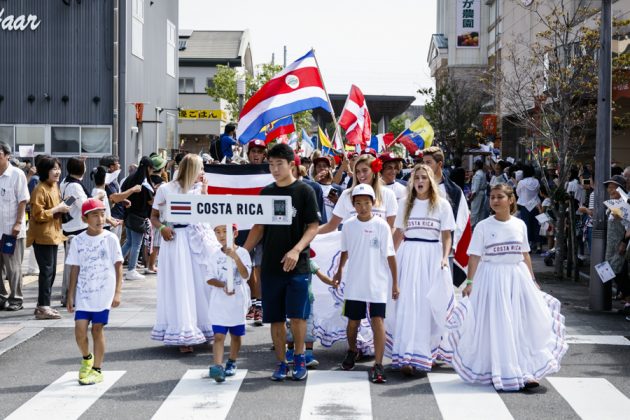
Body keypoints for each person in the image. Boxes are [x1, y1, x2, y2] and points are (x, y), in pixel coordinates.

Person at [448, 184, 568, 391]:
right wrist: (470, 282)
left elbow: (525, 254)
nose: (495, 201)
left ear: (511, 199)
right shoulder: (484, 226)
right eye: (492, 197)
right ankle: (500, 369)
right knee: (499, 324)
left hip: (516, 277)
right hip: (492, 279)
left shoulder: (519, 224)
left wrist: (532, 279)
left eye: (500, 197)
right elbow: (474, 256)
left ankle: (526, 370)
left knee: (521, 323)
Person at [243, 143, 320, 382]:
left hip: (298, 264)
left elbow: (313, 226)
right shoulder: (266, 192)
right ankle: (281, 362)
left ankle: (299, 357)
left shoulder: (305, 191)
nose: (274, 169)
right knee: (275, 318)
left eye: (279, 164)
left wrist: (297, 249)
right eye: (271, 164)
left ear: (291, 164)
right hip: (271, 265)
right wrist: (243, 252)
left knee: (297, 316)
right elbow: (259, 227)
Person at [388, 164, 455, 376]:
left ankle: (427, 351)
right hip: (409, 256)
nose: (420, 181)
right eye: (416, 177)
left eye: (424, 178)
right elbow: (398, 234)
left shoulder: (442, 205)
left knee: (429, 305)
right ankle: (405, 354)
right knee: (408, 304)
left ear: (431, 181)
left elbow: (446, 236)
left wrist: (445, 258)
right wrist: (388, 257)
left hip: (431, 256)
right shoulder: (405, 204)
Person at [150, 154, 220, 353]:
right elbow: (154, 216)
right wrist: (162, 228)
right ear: (191, 170)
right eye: (200, 169)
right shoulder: (165, 189)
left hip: (198, 239)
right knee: (181, 284)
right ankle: (183, 333)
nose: (203, 173)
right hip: (177, 239)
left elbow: (208, 213)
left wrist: (204, 193)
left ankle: (204, 328)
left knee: (200, 283)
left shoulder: (199, 189)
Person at [333, 184, 398, 383]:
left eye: (366, 203)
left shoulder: (381, 225)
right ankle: (352, 351)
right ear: (353, 205)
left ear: (373, 203)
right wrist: (339, 270)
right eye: (358, 203)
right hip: (355, 282)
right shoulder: (349, 225)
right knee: (353, 322)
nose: (362, 207)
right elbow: (345, 251)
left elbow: (390, 255)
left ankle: (378, 364)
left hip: (377, 282)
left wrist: (395, 283)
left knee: (378, 321)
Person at [65, 198, 123, 385]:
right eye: (95, 215)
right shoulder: (78, 241)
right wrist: (70, 294)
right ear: (85, 219)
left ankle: (97, 369)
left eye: (102, 214)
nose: (100, 218)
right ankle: (87, 357)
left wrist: (118, 292)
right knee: (80, 331)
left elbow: (118, 265)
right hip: (84, 293)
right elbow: (74, 268)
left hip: (103, 293)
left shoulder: (111, 238)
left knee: (97, 329)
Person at [207, 224, 252, 383]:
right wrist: (223, 286)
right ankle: (218, 366)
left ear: (235, 233)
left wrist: (235, 257)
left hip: (237, 299)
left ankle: (232, 361)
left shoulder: (243, 252)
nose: (221, 235)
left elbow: (246, 275)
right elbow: (209, 278)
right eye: (217, 232)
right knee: (218, 335)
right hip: (219, 300)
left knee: (236, 334)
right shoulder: (213, 255)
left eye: (225, 231)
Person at [27, 157, 70, 319]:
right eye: (54, 169)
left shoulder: (54, 186)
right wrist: (57, 208)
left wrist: (62, 208)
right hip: (42, 236)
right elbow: (37, 214)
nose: (58, 172)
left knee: (50, 272)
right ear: (45, 171)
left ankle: (43, 305)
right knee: (46, 271)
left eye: (58, 168)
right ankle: (43, 306)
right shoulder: (40, 189)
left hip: (54, 234)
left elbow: (54, 209)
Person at [421, 146, 470, 287]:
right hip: (419, 248)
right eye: (423, 162)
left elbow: (462, 221)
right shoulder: (415, 188)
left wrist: (451, 246)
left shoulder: (454, 191)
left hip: (443, 250)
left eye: (428, 162)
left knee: (442, 293)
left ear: (440, 164)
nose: (425, 166)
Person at [0, 142, 30, 311]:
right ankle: (1, 296)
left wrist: (19, 222)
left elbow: (22, 200)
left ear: (7, 156)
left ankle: (16, 299)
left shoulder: (16, 174)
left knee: (13, 267)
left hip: (11, 231)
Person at [60, 157, 90, 306]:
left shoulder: (65, 182)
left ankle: (69, 295)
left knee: (71, 264)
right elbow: (84, 206)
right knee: (74, 265)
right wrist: (97, 197)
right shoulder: (74, 186)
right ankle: (70, 296)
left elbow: (68, 203)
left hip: (70, 226)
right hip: (76, 228)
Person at [120, 157, 155, 280]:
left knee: (129, 242)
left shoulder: (130, 178)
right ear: (148, 168)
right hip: (139, 217)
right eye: (152, 169)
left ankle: (114, 262)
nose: (152, 172)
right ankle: (131, 270)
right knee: (136, 244)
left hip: (128, 215)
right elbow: (151, 201)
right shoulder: (144, 183)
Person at [516, 164, 542, 252]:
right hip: (536, 205)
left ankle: (528, 246)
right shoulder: (536, 181)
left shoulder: (521, 182)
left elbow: (518, 193)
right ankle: (538, 245)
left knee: (526, 226)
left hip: (525, 206)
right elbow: (538, 191)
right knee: (536, 225)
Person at [469, 159, 489, 229]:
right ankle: (478, 226)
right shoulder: (483, 173)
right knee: (480, 211)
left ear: (477, 166)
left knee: (474, 211)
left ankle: (471, 226)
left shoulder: (478, 174)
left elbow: (476, 188)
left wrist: (472, 196)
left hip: (477, 194)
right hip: (482, 193)